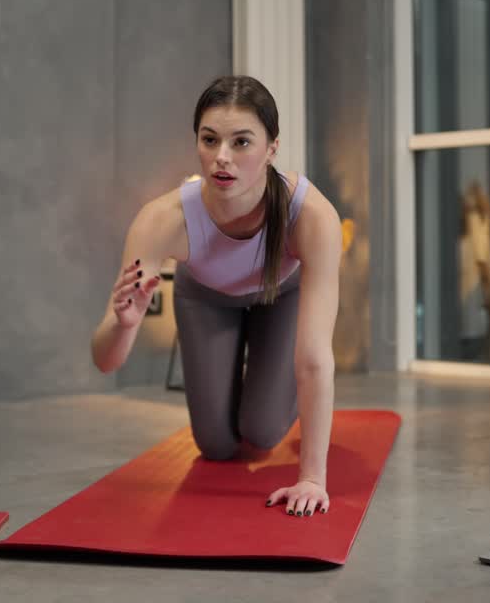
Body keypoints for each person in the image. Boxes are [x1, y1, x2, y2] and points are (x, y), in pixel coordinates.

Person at [91, 75, 342, 519]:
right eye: (210, 140)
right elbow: (105, 360)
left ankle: (263, 394)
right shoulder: (162, 220)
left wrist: (312, 478)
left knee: (261, 431)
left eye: (242, 142)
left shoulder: (312, 215)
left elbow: (314, 358)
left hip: (279, 296)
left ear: (271, 149)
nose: (221, 158)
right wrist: (123, 324)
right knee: (216, 444)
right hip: (205, 299)